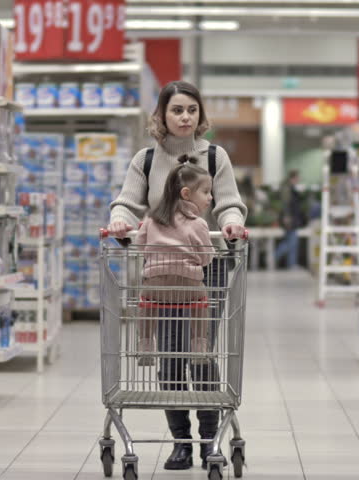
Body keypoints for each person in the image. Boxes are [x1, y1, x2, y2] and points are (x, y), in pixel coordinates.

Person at [108, 80, 247, 471]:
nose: (185, 117)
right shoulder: (146, 159)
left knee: (200, 353)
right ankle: (181, 442)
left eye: (191, 110)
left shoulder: (215, 157)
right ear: (162, 116)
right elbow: (127, 202)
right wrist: (120, 220)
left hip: (207, 267)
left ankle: (207, 440)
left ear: (200, 114)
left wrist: (233, 223)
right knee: (170, 358)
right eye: (176, 110)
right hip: (161, 271)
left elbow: (230, 204)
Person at [134, 160, 216, 366]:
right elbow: (206, 257)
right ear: (186, 194)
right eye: (206, 192)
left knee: (146, 302)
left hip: (156, 285)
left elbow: (140, 245)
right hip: (188, 286)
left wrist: (157, 257)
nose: (210, 197)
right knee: (202, 302)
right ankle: (199, 346)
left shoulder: (151, 219)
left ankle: (145, 344)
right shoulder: (198, 224)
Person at [275, 170, 306, 269]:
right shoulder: (287, 189)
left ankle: (291, 264)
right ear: (294, 177)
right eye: (298, 177)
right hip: (290, 219)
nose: (299, 179)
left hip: (293, 219)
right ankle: (273, 257)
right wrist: (286, 217)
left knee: (293, 243)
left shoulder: (290, 188)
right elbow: (285, 204)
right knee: (291, 243)